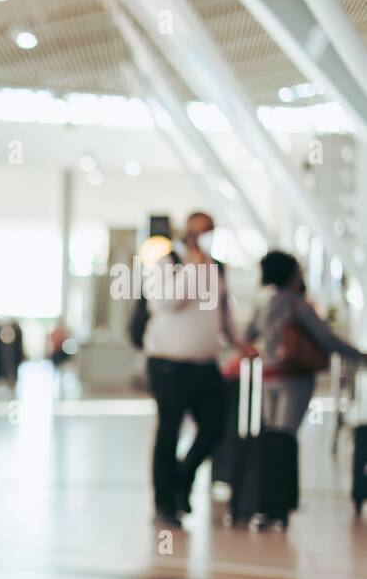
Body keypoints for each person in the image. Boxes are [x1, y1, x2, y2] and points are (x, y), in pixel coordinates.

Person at [143, 211, 256, 528]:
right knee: (169, 432)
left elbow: (222, 312)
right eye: (200, 232)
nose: (205, 237)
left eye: (210, 231)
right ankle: (166, 503)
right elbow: (168, 302)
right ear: (187, 233)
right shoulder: (167, 264)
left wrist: (238, 343)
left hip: (205, 365)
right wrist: (192, 268)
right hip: (168, 364)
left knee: (214, 427)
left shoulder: (216, 267)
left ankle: (182, 478)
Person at [247, 251, 363, 434]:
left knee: (272, 435)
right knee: (287, 435)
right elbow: (326, 339)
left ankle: (271, 463)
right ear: (292, 274)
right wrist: (358, 356)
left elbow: (248, 335)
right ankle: (283, 463)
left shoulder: (263, 304)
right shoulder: (297, 305)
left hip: (269, 373)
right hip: (294, 374)